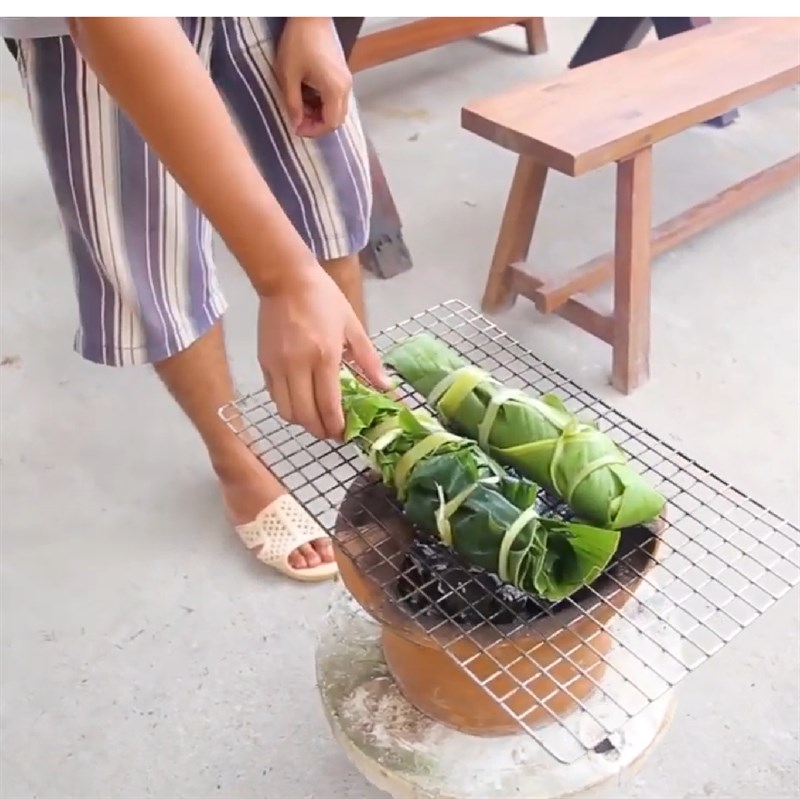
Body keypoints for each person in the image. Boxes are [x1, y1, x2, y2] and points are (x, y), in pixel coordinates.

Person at [1, 17, 392, 582]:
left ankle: (355, 403)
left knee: (325, 185)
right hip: (86, 30)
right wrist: (284, 280)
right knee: (150, 248)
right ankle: (237, 465)